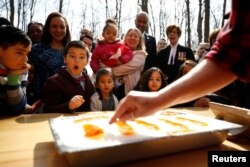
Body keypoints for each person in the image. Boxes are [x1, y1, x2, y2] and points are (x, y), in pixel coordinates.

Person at [109, 0, 250, 123]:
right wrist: (159, 97)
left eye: (175, 33)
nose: (172, 35)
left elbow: (226, 57)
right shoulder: (162, 53)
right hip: (168, 87)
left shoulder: (186, 51)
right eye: (169, 33)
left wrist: (158, 99)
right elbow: (228, 58)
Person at [28, 12, 71, 104]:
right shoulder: (36, 49)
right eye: (54, 26)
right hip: (42, 100)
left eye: (62, 27)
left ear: (66, 29)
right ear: (48, 28)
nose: (58, 30)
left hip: (68, 100)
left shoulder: (72, 50)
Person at [42, 40, 94, 113]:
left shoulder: (88, 79)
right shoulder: (53, 82)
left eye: (81, 57)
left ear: (86, 61)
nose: (77, 61)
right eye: (72, 56)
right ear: (65, 58)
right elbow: (47, 109)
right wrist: (68, 106)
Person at [0, 25, 32, 116]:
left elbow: (17, 108)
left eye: (27, 54)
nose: (25, 59)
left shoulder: (21, 70)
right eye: (19, 52)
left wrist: (13, 78)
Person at [110, 28, 147, 99]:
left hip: (130, 91)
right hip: (113, 89)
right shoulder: (117, 51)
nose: (132, 38)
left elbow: (125, 68)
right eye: (130, 35)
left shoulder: (141, 55)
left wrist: (109, 70)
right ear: (126, 38)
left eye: (136, 36)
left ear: (139, 41)